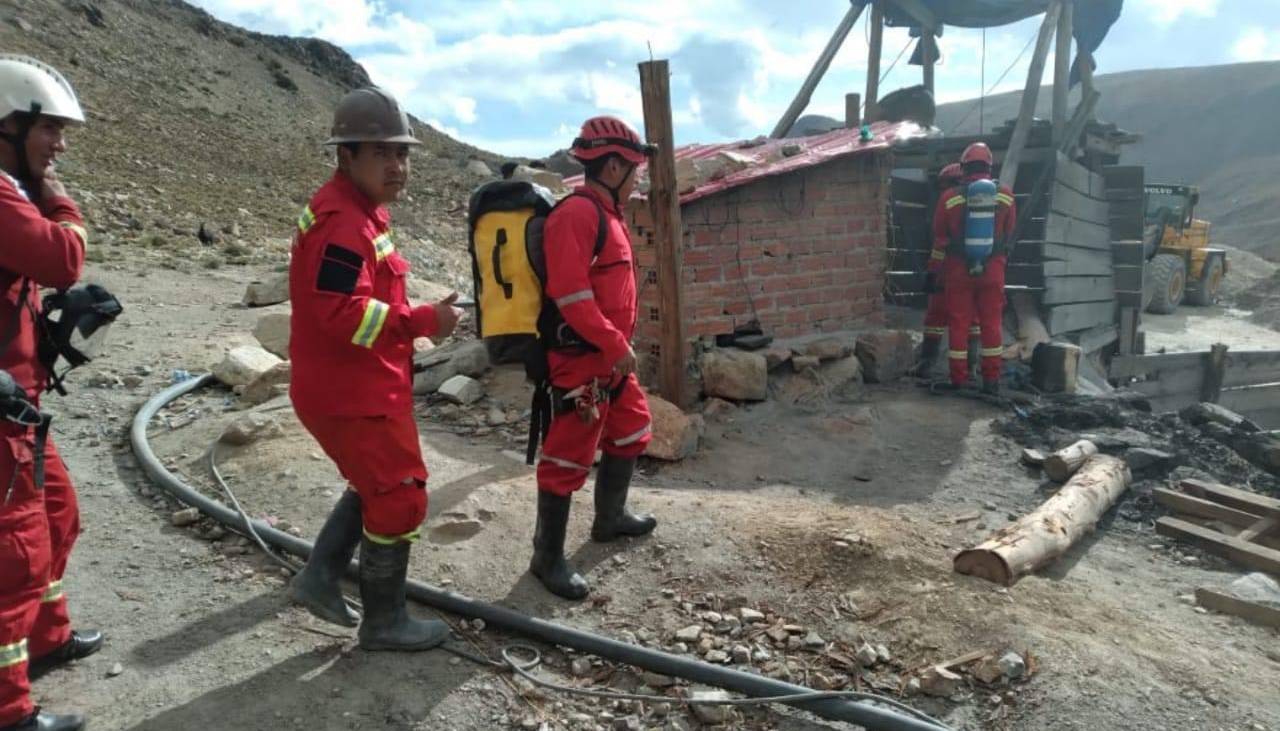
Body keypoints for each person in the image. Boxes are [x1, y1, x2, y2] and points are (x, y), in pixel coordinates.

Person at [287, 86, 465, 651]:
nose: (397, 165)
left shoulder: (362, 212)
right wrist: (421, 322)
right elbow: (341, 313)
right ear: (346, 156)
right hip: (352, 392)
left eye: (403, 153)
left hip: (359, 384)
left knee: (373, 483)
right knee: (399, 494)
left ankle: (319, 576)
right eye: (382, 153)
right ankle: (383, 623)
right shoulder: (343, 223)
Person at [0, 54, 101, 731]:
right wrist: (59, 200)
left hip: (22, 405)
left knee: (59, 518)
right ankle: (10, 710)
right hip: (3, 418)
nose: (58, 146)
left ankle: (48, 638)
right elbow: (64, 255)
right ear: (9, 123)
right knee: (15, 555)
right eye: (50, 131)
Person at [530, 116, 658, 600]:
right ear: (610, 167)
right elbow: (571, 293)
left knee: (630, 428)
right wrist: (612, 343)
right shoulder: (577, 216)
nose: (639, 178)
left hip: (609, 359)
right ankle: (546, 559)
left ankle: (609, 519)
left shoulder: (608, 214)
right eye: (635, 169)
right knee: (568, 455)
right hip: (582, 358)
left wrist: (616, 348)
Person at [926, 142, 1016, 393]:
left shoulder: (949, 198)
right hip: (993, 269)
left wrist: (933, 271)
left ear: (964, 167)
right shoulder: (1006, 195)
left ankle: (958, 379)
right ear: (989, 166)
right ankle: (991, 380)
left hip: (958, 270)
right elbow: (1008, 233)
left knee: (959, 323)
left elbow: (940, 237)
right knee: (991, 324)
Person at [915, 162, 980, 377]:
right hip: (976, 271)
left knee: (935, 316)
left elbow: (941, 243)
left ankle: (927, 364)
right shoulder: (984, 204)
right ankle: (971, 367)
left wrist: (932, 273)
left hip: (948, 273)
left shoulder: (949, 202)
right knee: (972, 320)